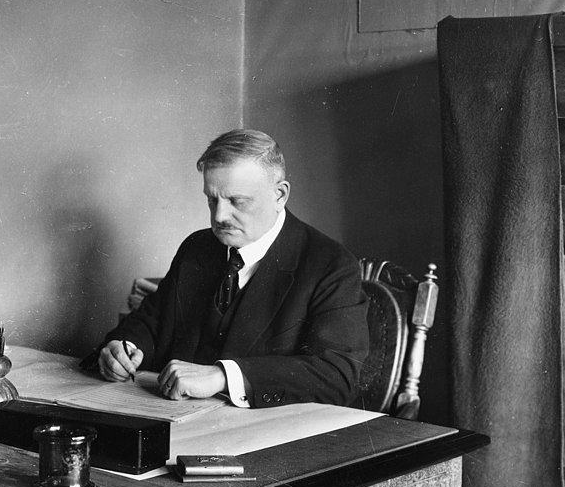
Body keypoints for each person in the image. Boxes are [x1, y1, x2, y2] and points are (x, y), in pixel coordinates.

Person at [94, 128, 369, 408]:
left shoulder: (329, 263)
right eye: (212, 199)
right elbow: (151, 323)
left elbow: (338, 376)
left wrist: (224, 376)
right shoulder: (197, 248)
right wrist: (122, 348)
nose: (219, 216)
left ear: (280, 195)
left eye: (237, 201)